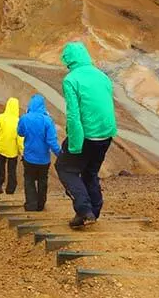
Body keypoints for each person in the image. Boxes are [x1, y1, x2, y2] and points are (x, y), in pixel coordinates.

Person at [55, 42, 117, 228]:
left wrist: (74, 145)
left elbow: (73, 115)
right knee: (90, 173)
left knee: (65, 168)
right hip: (106, 135)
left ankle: (83, 208)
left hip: (86, 135)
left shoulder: (71, 80)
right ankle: (92, 212)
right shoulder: (102, 76)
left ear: (69, 60)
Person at [17, 94, 61, 211]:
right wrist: (60, 155)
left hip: (29, 157)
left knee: (29, 180)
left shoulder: (25, 118)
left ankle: (31, 204)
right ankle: (41, 204)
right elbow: (52, 141)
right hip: (44, 159)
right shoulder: (48, 120)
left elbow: (20, 133)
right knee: (42, 180)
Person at [0, 98, 24, 194]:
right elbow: (20, 139)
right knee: (11, 170)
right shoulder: (18, 121)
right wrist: (23, 153)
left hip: (1, 148)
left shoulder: (1, 117)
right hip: (12, 151)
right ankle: (10, 189)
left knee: (0, 166)